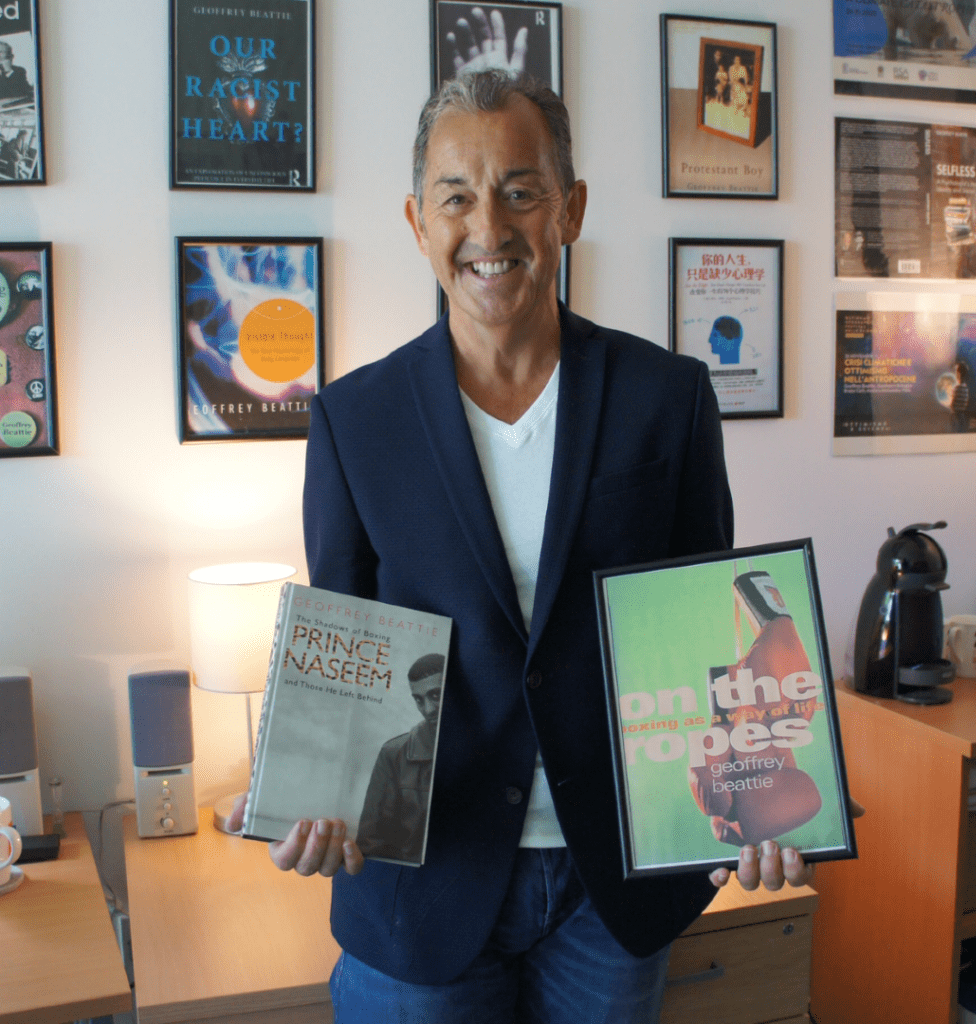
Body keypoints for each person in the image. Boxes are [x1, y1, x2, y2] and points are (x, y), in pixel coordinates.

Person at [228, 68, 814, 1023]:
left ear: (570, 209)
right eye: (456, 196)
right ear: (419, 223)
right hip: (424, 888)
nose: (488, 229)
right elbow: (345, 642)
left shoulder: (667, 398)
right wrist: (316, 798)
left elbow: (712, 645)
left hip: (609, 890)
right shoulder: (353, 419)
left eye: (520, 191)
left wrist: (760, 798)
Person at [356, 653, 445, 864]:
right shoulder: (394, 754)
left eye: (435, 695)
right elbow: (372, 844)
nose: (428, 709)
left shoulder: (488, 742)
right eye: (419, 700)